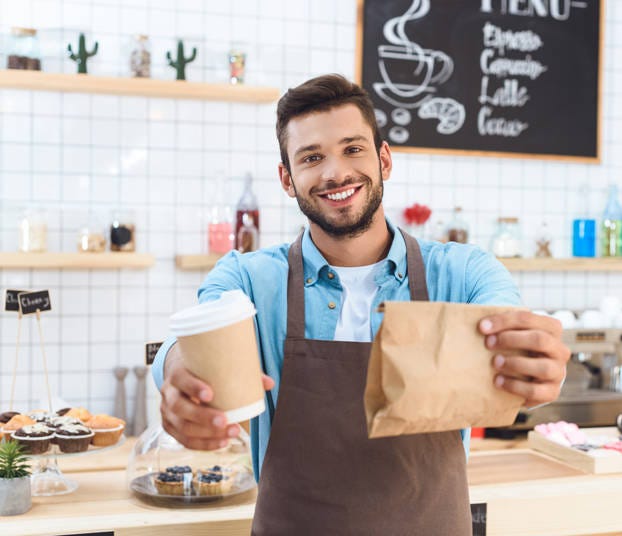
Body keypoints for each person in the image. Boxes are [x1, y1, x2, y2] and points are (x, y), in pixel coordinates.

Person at [152, 74, 570, 535]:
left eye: (353, 149)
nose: (335, 173)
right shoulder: (248, 278)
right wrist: (177, 375)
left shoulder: (465, 274)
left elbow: (509, 328)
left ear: (384, 159)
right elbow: (190, 338)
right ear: (287, 179)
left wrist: (533, 359)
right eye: (312, 158)